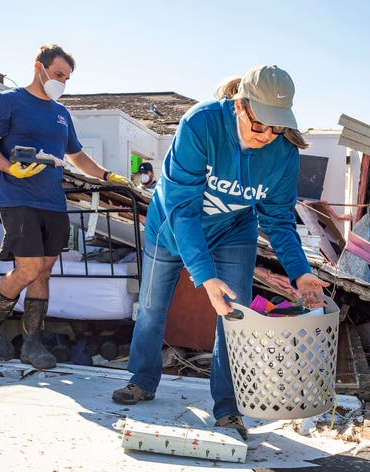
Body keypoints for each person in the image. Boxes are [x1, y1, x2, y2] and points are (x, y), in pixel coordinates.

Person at [112, 65, 329, 439]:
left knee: (236, 316)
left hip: (233, 231)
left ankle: (229, 408)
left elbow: (277, 219)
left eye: (277, 127)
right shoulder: (201, 124)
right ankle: (142, 379)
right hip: (172, 227)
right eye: (260, 124)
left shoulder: (284, 153)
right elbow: (183, 209)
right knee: (151, 306)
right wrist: (205, 276)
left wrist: (300, 271)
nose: (268, 135)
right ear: (240, 106)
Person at [0, 44, 133, 370]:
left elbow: (76, 155)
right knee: (28, 269)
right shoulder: (6, 102)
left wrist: (106, 175)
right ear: (38, 67)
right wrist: (10, 167)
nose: (61, 81)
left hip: (53, 202)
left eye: (67, 78)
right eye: (58, 74)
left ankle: (33, 343)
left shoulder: (61, 113)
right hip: (18, 199)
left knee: (43, 272)